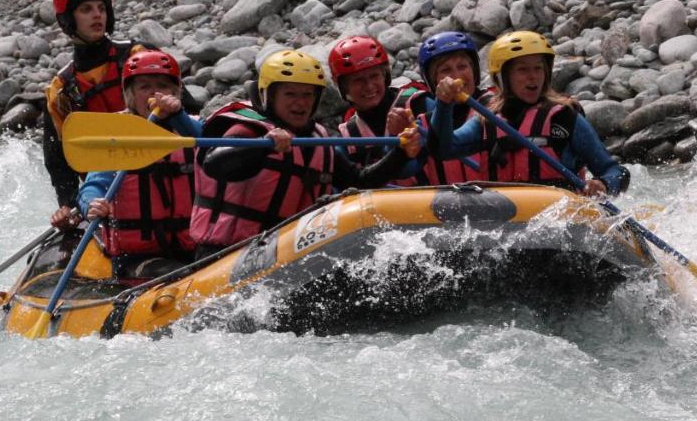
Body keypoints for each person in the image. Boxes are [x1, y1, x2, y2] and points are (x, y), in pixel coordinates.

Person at [190, 49, 422, 256]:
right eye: (290, 94)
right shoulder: (244, 128)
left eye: (308, 95)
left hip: (285, 253)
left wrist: (401, 153)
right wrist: (262, 146)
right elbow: (215, 165)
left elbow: (360, 180)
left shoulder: (316, 139)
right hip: (225, 254)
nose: (301, 103)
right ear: (268, 95)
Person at [431, 30, 630, 197]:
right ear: (503, 78)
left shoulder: (564, 119)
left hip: (558, 218)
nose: (533, 76)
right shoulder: (487, 121)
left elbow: (615, 171)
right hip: (502, 220)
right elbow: (443, 149)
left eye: (538, 68)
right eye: (522, 70)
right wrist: (444, 104)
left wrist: (603, 184)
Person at [75, 50, 202, 282]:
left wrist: (178, 116)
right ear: (130, 96)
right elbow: (94, 185)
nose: (155, 92)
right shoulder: (118, 136)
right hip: (137, 259)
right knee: (184, 276)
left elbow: (210, 147)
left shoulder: (191, 127)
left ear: (176, 93)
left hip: (193, 245)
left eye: (163, 86)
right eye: (144, 87)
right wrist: (91, 204)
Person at [45, 0, 155, 228]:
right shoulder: (61, 90)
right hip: (104, 189)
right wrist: (70, 206)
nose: (97, 15)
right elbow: (59, 161)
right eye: (86, 10)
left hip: (160, 170)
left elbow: (185, 108)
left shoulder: (138, 56)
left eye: (101, 8)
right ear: (68, 20)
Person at [409, 31, 494, 186]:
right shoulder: (425, 124)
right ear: (432, 81)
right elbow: (405, 172)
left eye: (462, 67)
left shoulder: (494, 107)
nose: (457, 76)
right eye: (446, 70)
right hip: (444, 206)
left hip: (495, 202)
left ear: (474, 71)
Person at [328, 35, 424, 171]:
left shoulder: (419, 104)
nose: (369, 86)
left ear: (385, 76)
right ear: (343, 87)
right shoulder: (347, 136)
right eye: (358, 80)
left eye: (374, 76)